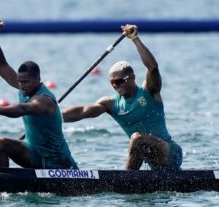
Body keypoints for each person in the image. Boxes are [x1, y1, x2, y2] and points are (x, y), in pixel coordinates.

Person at [63, 24, 182, 170]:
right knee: (137, 140)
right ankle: (131, 183)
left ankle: (126, 183)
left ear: (132, 77)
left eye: (119, 81)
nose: (116, 86)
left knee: (137, 138)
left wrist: (135, 39)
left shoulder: (149, 91)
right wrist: (52, 114)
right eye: (112, 83)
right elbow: (83, 111)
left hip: (170, 152)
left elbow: (152, 67)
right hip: (151, 159)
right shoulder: (111, 104)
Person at [0, 20, 77, 169]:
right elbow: (0, 65)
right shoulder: (22, 85)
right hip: (33, 153)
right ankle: (1, 184)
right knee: (1, 143)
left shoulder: (45, 100)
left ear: (38, 80)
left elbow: (22, 109)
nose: (21, 86)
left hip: (56, 162)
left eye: (26, 82)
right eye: (19, 81)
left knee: (1, 142)